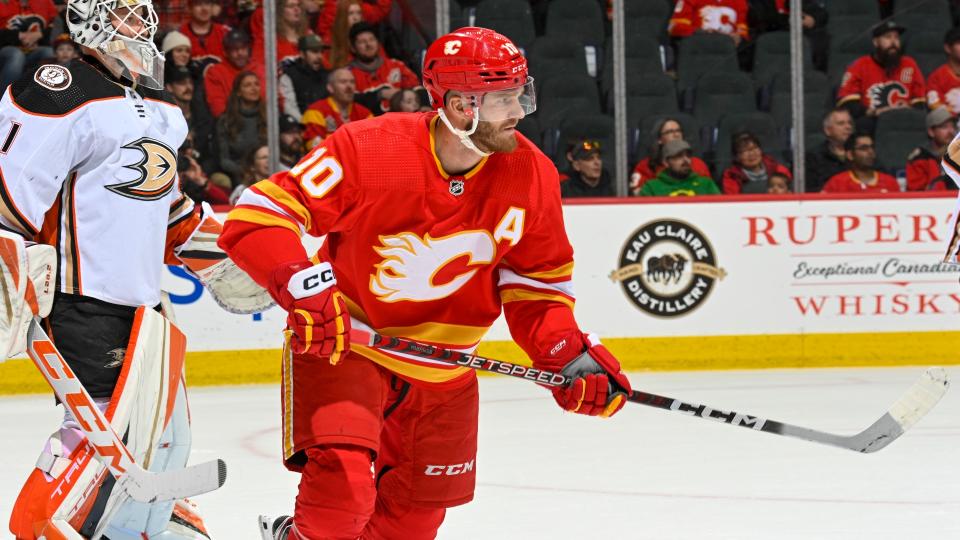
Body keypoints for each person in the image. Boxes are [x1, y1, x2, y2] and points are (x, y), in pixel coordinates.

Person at [220, 26, 632, 540]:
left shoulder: (532, 174)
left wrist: (567, 354)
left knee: (410, 525)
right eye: (505, 99)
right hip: (351, 347)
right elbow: (258, 216)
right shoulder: (368, 148)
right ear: (460, 106)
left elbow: (537, 287)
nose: (520, 112)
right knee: (340, 497)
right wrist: (304, 288)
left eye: (520, 94)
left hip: (446, 371)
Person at [0, 0, 270, 538]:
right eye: (124, 14)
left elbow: (166, 206)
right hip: (80, 298)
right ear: (87, 23)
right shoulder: (59, 89)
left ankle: (148, 525)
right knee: (101, 430)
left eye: (142, 13)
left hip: (147, 304)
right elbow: (10, 198)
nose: (141, 26)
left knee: (165, 432)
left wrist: (227, 257)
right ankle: (43, 524)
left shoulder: (161, 103)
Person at [836, 20, 926, 131]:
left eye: (896, 37)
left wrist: (909, 109)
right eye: (888, 37)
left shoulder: (909, 65)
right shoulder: (859, 66)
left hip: (904, 120)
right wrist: (874, 112)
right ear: (875, 42)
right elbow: (847, 102)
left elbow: (920, 101)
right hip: (873, 121)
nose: (893, 42)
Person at [348, 22, 421, 115]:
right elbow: (349, 101)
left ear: (378, 43)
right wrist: (379, 94)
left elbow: (417, 88)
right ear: (353, 48)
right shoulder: (347, 74)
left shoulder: (396, 66)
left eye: (371, 39)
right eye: (362, 42)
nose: (368, 44)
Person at [630, 117, 712, 194]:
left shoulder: (698, 164)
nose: (676, 135)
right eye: (669, 132)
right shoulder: (644, 166)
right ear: (659, 139)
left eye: (678, 131)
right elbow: (639, 199)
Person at [301, 67, 373, 149]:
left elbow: (373, 143)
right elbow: (314, 147)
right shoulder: (316, 111)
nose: (349, 86)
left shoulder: (365, 114)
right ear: (330, 88)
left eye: (352, 82)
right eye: (343, 82)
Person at [215, 70, 267, 183]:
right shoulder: (226, 121)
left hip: (267, 172)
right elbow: (224, 160)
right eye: (248, 85)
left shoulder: (269, 117)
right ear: (238, 92)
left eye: (256, 84)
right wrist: (246, 172)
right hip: (239, 176)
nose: (254, 88)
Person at [204, 28, 264, 117]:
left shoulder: (260, 69)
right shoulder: (215, 73)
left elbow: (269, 100)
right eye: (234, 49)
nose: (240, 53)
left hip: (262, 120)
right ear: (226, 52)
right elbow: (218, 108)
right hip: (232, 124)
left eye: (243, 48)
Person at [0, 0, 58, 90]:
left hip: (34, 49)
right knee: (16, 55)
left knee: (50, 53)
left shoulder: (45, 2)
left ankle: (44, 96)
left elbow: (56, 25)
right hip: (7, 49)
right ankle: (5, 97)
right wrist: (18, 36)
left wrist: (40, 34)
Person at [822, 132, 901, 193]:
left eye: (872, 147)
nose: (870, 152)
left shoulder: (890, 182)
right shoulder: (836, 183)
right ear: (850, 155)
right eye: (864, 148)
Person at [638, 139, 720, 196]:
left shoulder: (706, 184)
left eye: (688, 155)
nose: (686, 160)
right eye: (678, 156)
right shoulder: (651, 187)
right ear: (666, 162)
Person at [721, 131, 792, 194]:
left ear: (761, 151)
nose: (752, 154)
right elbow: (733, 202)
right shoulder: (732, 176)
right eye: (745, 151)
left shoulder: (779, 170)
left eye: (755, 148)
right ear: (737, 157)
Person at [279, 34, 331, 120]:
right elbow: (289, 108)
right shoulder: (289, 75)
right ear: (302, 54)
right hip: (300, 128)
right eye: (314, 52)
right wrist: (307, 124)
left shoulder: (328, 75)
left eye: (321, 52)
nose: (319, 56)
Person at [906, 107, 957, 191]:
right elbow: (916, 193)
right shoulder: (920, 158)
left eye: (952, 126)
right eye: (944, 127)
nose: (951, 131)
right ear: (931, 132)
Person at [804, 108, 854, 192]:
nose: (848, 127)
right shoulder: (813, 157)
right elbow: (810, 190)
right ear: (828, 130)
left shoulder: (861, 152)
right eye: (841, 123)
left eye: (849, 123)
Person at [250, 0, 311, 66]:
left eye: (298, 5)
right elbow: (257, 65)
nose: (296, 9)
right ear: (280, 11)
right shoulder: (268, 39)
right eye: (291, 6)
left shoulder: (308, 34)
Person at [668, 0, 749, 46]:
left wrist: (739, 38)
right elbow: (674, 28)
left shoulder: (740, 2)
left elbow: (743, 33)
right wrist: (703, 33)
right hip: (696, 49)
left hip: (727, 52)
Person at [179, 0, 231, 68]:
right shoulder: (180, 35)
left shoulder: (225, 32)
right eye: (198, 4)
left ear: (212, 7)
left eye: (207, 3)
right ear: (189, 8)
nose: (204, 9)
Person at [926, 27, 960, 116]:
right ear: (948, 48)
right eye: (959, 43)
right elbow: (935, 105)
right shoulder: (936, 77)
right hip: (951, 125)